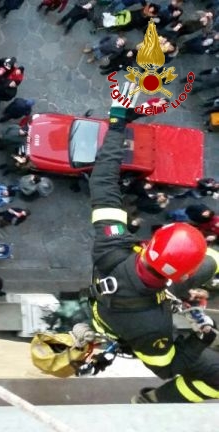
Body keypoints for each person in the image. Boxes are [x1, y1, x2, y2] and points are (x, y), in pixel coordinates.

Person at [85, 104, 219, 404]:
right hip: (128, 319)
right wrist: (200, 341)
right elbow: (167, 367)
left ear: (150, 245)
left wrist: (117, 126)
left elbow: (103, 182)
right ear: (184, 277)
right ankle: (152, 402)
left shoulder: (112, 245)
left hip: (136, 289)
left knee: (213, 261)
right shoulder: (152, 328)